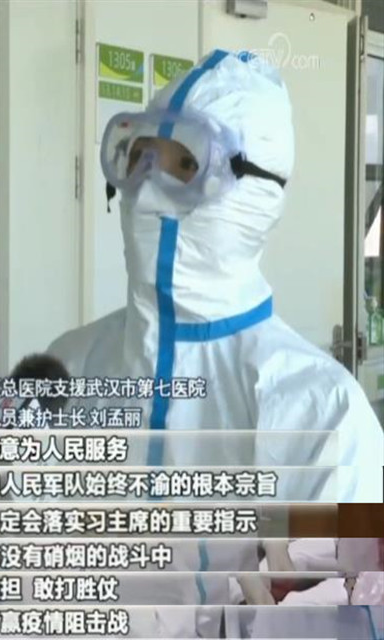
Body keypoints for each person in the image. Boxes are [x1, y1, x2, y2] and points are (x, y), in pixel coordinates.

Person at [48, 47, 384, 501]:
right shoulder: (68, 365)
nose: (145, 195)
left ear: (256, 197)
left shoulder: (327, 417)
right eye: (139, 157)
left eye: (186, 165)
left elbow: (348, 548)